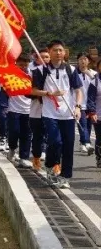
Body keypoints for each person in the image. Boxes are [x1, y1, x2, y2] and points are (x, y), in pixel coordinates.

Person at [32, 40, 85, 188]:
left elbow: (78, 91)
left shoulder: (70, 69)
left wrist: (78, 107)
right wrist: (49, 93)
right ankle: (50, 165)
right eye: (55, 50)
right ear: (49, 51)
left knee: (68, 145)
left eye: (61, 50)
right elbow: (33, 91)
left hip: (68, 113)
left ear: (64, 52)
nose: (58, 53)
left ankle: (65, 177)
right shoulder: (40, 70)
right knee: (55, 142)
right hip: (50, 113)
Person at [6, 54, 34, 168]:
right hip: (14, 109)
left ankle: (24, 157)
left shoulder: (32, 75)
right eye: (21, 65)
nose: (23, 67)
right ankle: (12, 148)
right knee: (14, 131)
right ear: (16, 64)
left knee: (26, 134)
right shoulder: (10, 75)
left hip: (29, 109)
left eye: (25, 65)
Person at [75, 54, 95, 154]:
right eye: (81, 59)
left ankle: (82, 143)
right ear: (78, 61)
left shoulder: (93, 73)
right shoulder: (74, 73)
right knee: (82, 124)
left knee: (88, 125)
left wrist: (89, 74)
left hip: (91, 104)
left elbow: (97, 84)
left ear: (88, 61)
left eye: (85, 59)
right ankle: (87, 143)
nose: (83, 61)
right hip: (79, 104)